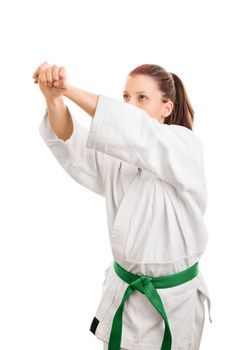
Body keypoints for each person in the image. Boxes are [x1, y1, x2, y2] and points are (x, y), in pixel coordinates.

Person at [33, 62, 212, 350]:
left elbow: (138, 132)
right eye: (126, 97)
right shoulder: (119, 159)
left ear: (166, 108)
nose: (130, 105)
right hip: (126, 300)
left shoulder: (185, 147)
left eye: (142, 98)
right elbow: (74, 146)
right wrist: (54, 98)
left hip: (174, 302)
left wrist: (69, 89)